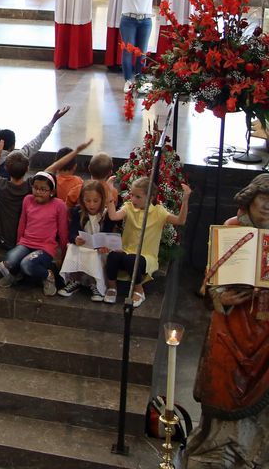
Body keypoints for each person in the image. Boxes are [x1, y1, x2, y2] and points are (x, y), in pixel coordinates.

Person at [186, 174, 269, 468]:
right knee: (222, 385)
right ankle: (215, 450)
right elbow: (210, 282)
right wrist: (221, 297)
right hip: (231, 326)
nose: (268, 207)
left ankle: (251, 454)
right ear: (250, 200)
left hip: (265, 328)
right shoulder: (233, 229)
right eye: (264, 201)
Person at [102, 176, 190, 307]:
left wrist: (185, 201)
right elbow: (113, 216)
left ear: (150, 197)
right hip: (126, 251)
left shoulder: (159, 212)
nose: (133, 199)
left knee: (132, 259)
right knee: (113, 256)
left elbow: (180, 221)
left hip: (146, 256)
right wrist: (109, 192)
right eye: (132, 195)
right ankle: (112, 288)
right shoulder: (128, 207)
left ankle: (139, 290)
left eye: (138, 197)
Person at [0, 171, 68, 296]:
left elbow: (63, 231)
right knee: (10, 260)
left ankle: (48, 275)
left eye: (43, 189)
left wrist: (64, 256)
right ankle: (16, 274)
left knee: (27, 264)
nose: (38, 192)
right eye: (35, 188)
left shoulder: (59, 205)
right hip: (25, 243)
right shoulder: (27, 200)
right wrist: (19, 245)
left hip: (45, 247)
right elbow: (22, 223)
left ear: (52, 192)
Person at [56, 180, 116, 302]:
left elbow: (109, 233)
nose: (91, 205)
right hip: (84, 245)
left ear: (102, 199)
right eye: (87, 201)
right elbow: (72, 231)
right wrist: (75, 239)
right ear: (82, 200)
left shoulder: (106, 215)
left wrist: (105, 244)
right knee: (72, 248)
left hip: (100, 250)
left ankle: (96, 285)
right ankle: (76, 279)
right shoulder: (78, 212)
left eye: (95, 201)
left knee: (95, 254)